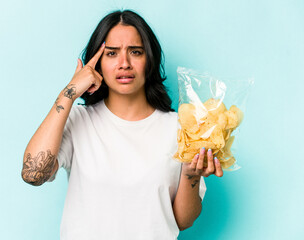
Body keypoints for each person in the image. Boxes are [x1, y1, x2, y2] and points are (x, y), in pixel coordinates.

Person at [21, 9, 223, 240]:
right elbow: (32, 174)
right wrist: (69, 93)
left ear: (150, 60)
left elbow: (182, 221)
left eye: (135, 52)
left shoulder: (180, 128)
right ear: (96, 63)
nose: (124, 63)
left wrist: (191, 173)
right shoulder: (79, 120)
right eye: (112, 53)